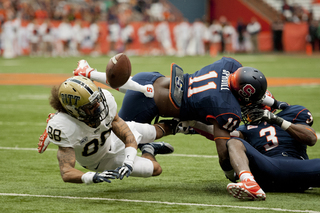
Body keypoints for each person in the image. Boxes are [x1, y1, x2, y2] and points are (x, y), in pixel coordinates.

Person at [73, 57, 280, 179]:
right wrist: (231, 175)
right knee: (120, 142)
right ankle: (149, 148)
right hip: (147, 103)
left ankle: (89, 72)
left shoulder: (229, 65)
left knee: (200, 122)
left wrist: (275, 103)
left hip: (152, 79)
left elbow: (241, 78)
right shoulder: (225, 107)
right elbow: (223, 154)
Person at [37, 76, 175, 184]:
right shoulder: (64, 127)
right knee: (156, 169)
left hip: (112, 137)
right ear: (74, 110)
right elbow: (66, 172)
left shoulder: (105, 101)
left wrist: (129, 161)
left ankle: (183, 126)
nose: (98, 106)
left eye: (97, 100)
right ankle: (148, 149)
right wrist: (92, 177)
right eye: (91, 106)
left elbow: (128, 138)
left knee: (154, 132)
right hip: (100, 160)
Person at [226, 96, 318, 201]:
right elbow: (219, 134)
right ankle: (249, 182)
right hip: (269, 167)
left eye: (250, 109)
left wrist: (278, 120)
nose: (247, 114)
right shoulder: (245, 129)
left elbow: (311, 139)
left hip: (298, 166)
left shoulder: (292, 113)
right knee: (233, 142)